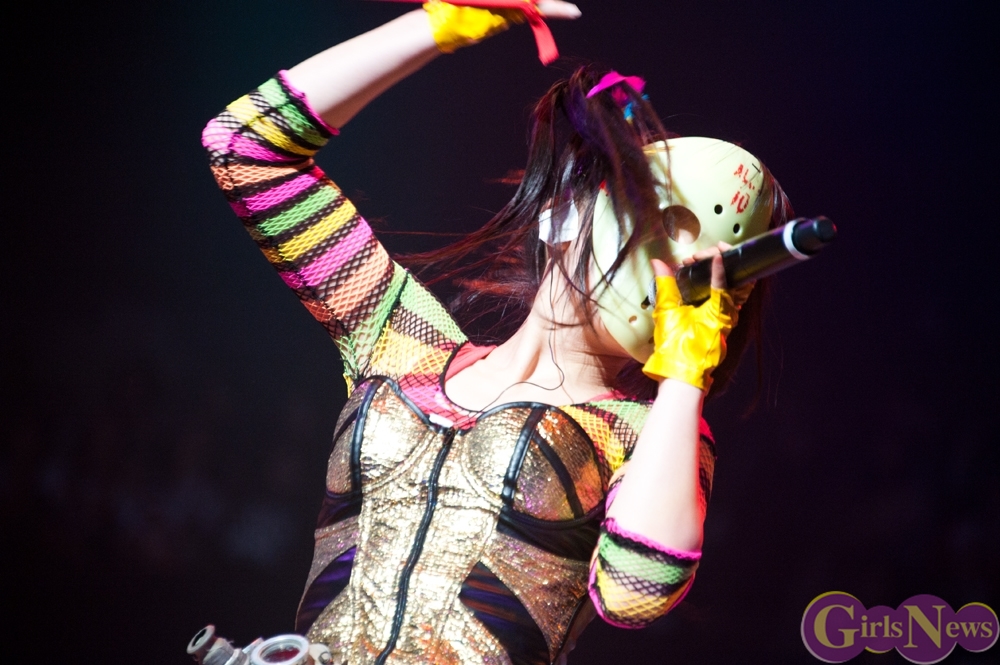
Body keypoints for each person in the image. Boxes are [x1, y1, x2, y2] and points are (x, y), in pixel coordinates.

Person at [201, 2, 792, 663]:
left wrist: (686, 373)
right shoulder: (402, 340)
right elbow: (244, 148)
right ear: (562, 218)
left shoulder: (643, 431)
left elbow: (637, 590)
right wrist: (435, 25)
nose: (671, 267)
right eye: (659, 225)